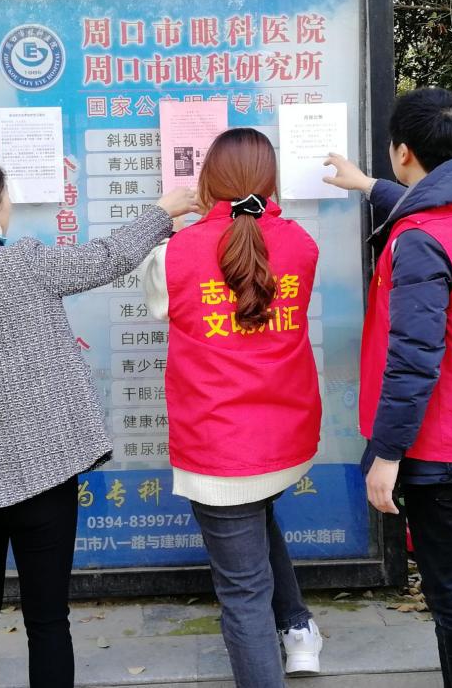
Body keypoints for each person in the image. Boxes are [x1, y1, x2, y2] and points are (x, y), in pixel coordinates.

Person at [0, 153, 197, 688]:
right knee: (48, 620)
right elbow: (105, 258)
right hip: (41, 470)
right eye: (5, 198)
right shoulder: (20, 264)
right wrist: (160, 211)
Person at [324, 88, 452, 688]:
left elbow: (413, 360)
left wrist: (387, 454)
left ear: (403, 151)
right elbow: (433, 213)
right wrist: (368, 186)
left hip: (445, 447)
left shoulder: (419, 240)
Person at [142, 128, 324, 686]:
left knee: (243, 595)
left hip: (217, 447)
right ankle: (298, 630)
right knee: (258, 514)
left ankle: (292, 633)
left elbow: (158, 305)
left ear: (206, 183)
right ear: (271, 179)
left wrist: (163, 218)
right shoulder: (302, 244)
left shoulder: (173, 254)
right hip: (285, 436)